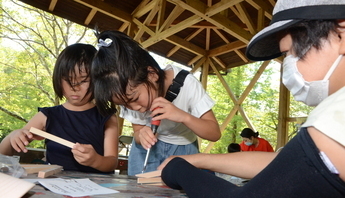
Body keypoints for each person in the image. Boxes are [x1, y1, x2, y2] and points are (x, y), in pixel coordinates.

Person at [158, 1, 345, 198]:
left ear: (341, 33)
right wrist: (194, 159)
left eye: (291, 52)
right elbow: (284, 164)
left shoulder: (338, 111)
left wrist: (177, 170)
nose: (289, 67)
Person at [91, 30, 221, 176]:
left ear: (152, 74)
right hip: (145, 153)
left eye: (134, 99)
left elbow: (214, 133)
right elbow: (138, 132)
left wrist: (183, 117)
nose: (135, 109)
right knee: (140, 195)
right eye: (125, 105)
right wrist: (141, 135)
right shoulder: (127, 94)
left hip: (183, 149)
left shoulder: (187, 84)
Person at [0, 43, 119, 173]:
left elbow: (112, 162)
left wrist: (96, 160)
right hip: (52, 184)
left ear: (97, 80)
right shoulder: (46, 116)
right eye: (68, 80)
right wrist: (13, 136)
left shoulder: (107, 118)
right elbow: (4, 152)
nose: (74, 87)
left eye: (83, 80)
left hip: (96, 188)